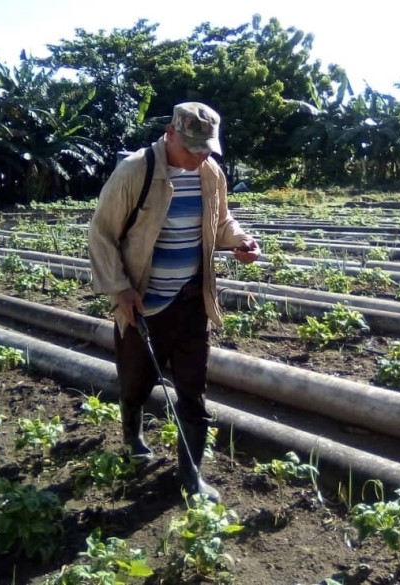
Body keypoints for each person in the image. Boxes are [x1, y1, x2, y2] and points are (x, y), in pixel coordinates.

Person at [88, 102, 260, 502]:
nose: (199, 155)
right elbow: (102, 234)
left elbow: (220, 223)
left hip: (190, 300)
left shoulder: (210, 172)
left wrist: (240, 241)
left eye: (206, 148)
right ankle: (133, 434)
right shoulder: (136, 170)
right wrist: (120, 289)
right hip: (142, 304)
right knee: (135, 382)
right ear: (170, 133)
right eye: (192, 147)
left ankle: (190, 475)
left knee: (192, 391)